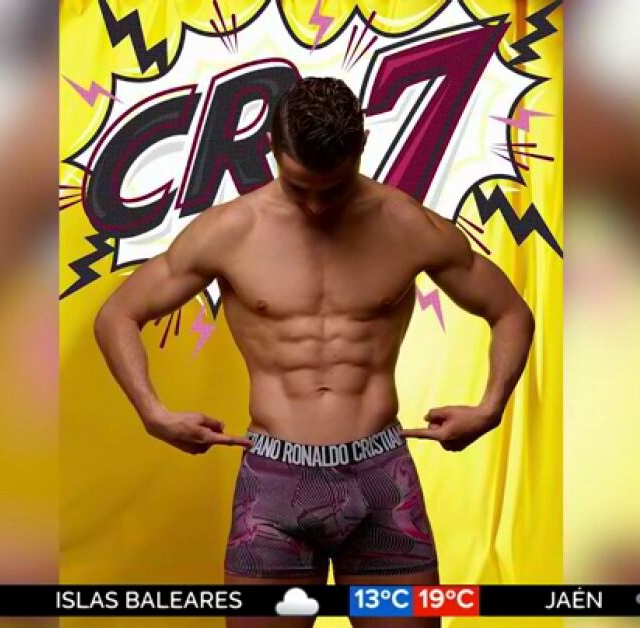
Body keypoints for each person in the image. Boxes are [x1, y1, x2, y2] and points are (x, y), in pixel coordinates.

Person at [94, 77, 535, 628]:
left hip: (381, 481)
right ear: (272, 150)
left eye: (334, 187)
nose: (318, 205)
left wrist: (490, 407)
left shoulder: (408, 226)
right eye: (300, 187)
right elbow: (118, 315)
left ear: (361, 147)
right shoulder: (230, 231)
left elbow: (510, 311)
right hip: (274, 484)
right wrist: (153, 413)